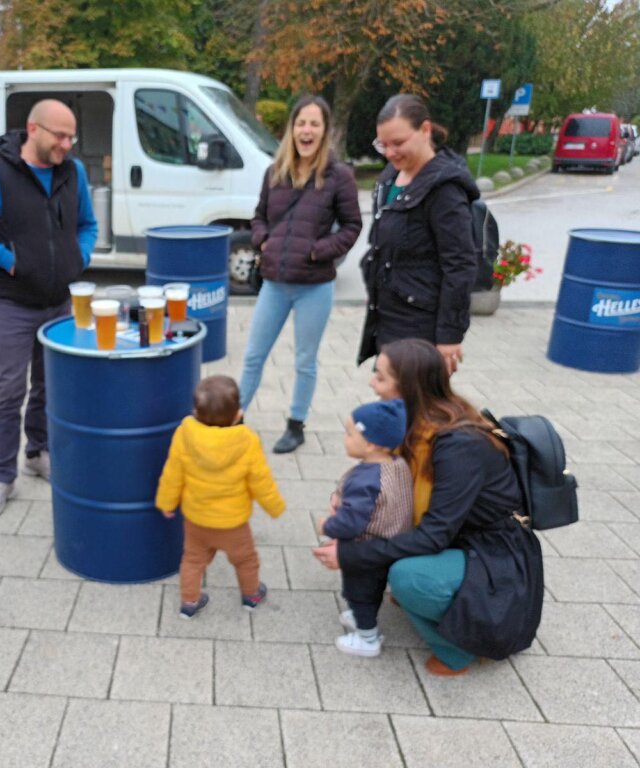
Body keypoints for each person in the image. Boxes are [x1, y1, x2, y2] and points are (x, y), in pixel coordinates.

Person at [313, 339, 544, 676]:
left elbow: (433, 536)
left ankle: (458, 652)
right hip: (460, 536)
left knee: (408, 579)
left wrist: (350, 555)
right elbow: (391, 495)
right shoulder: (418, 422)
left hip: (495, 556)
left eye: (380, 377)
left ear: (406, 386)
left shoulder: (455, 445)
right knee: (387, 554)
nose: (371, 384)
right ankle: (435, 594)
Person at [0, 99, 98, 518]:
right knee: (10, 391)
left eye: (72, 137)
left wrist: (78, 256)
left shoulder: (74, 172)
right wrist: (6, 259)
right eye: (60, 136)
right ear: (33, 129)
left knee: (49, 385)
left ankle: (38, 452)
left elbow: (88, 224)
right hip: (15, 303)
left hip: (61, 300)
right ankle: (1, 477)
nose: (67, 145)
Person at [239, 95, 362, 453]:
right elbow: (258, 215)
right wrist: (263, 240)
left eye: (314, 124)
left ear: (324, 132)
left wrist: (318, 251)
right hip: (275, 283)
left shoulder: (339, 177)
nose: (306, 130)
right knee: (253, 355)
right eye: (301, 123)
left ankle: (296, 424)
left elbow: (352, 226)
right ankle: (235, 417)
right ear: (292, 129)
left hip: (314, 286)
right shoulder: (275, 172)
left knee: (305, 360)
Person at [357, 94, 480, 375]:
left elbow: (460, 265)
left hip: (420, 326)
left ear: (425, 130)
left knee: (416, 410)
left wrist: (449, 335)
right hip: (387, 317)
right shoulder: (390, 177)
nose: (389, 152)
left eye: (398, 143)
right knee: (392, 403)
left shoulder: (445, 189)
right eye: (383, 145)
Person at [155, 375, 286, 619]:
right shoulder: (247, 440)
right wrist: (275, 506)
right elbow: (261, 480)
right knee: (246, 560)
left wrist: (166, 501)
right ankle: (251, 595)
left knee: (193, 561)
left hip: (197, 519)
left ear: (195, 411)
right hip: (233, 523)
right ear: (238, 414)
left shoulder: (184, 433)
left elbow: (173, 471)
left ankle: (189, 602)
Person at [317, 400, 413, 658]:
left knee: (359, 591)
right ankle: (363, 615)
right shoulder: (397, 464)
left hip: (367, 546)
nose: (345, 438)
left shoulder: (365, 480)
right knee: (373, 588)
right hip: (392, 541)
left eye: (350, 434)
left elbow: (351, 522)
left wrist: (327, 525)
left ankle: (367, 638)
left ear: (370, 444)